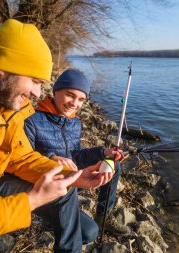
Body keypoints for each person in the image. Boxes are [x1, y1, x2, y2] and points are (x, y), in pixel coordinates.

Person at [0, 19, 113, 253]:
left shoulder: (6, 106)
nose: (37, 94)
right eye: (35, 81)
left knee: (65, 189)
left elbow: (19, 157)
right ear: (4, 65)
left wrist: (73, 176)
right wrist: (31, 201)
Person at [24, 69, 131, 235]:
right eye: (70, 95)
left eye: (81, 99)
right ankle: (50, 217)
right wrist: (51, 159)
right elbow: (22, 160)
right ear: (56, 91)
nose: (74, 103)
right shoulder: (32, 120)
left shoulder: (74, 123)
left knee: (112, 165)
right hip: (47, 183)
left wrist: (103, 153)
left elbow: (76, 155)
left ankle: (103, 215)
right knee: (89, 233)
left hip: (72, 177)